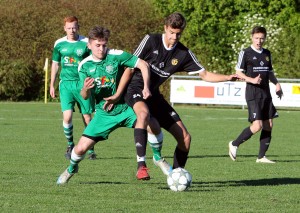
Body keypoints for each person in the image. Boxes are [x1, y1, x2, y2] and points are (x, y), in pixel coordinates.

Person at [124, 12, 239, 178]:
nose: (174, 37)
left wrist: (227, 77)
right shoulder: (151, 40)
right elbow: (129, 66)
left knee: (185, 138)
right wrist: (119, 92)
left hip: (154, 95)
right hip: (135, 88)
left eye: (178, 34)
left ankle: (176, 175)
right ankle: (141, 166)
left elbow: (205, 74)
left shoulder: (183, 54)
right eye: (171, 32)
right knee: (144, 115)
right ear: (165, 28)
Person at [56, 26, 151, 185]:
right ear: (89, 45)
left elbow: (143, 64)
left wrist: (146, 86)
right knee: (79, 150)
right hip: (103, 114)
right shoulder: (84, 66)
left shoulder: (117, 55)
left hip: (125, 109)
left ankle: (155, 163)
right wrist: (86, 89)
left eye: (104, 45)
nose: (101, 49)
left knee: (152, 124)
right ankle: (72, 168)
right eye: (97, 45)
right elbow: (84, 95)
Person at [228, 26, 283, 163]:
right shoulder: (245, 53)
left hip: (266, 93)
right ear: (252, 37)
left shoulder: (267, 53)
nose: (259, 41)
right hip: (253, 93)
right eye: (257, 38)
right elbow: (239, 72)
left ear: (265, 38)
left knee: (268, 124)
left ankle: (261, 157)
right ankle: (234, 144)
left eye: (262, 38)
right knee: (257, 125)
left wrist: (276, 84)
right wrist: (251, 80)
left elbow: (269, 72)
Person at [50, 16, 96, 160]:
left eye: (74, 27)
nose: (72, 30)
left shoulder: (85, 43)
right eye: (69, 28)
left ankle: (90, 149)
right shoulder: (59, 44)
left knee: (87, 117)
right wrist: (52, 84)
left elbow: (93, 62)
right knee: (67, 116)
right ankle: (70, 145)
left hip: (82, 84)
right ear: (64, 28)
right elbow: (55, 64)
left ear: (78, 27)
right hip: (66, 84)